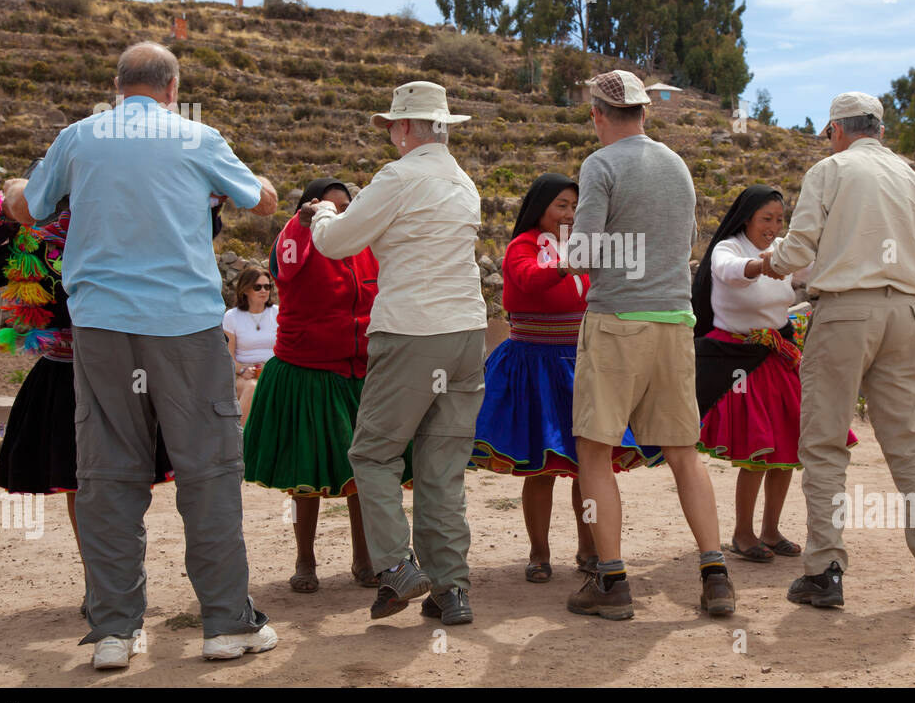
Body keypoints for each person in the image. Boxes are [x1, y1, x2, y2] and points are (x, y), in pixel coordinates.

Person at [2, 40, 280, 669]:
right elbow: (259, 199)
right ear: (173, 88)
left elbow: (25, 208)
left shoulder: (78, 138)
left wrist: (17, 182)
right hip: (184, 327)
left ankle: (114, 632)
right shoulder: (197, 137)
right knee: (207, 470)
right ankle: (225, 623)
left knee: (105, 474)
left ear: (118, 86)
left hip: (101, 328)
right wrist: (255, 179)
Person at [760, 92, 915, 608]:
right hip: (906, 313)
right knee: (912, 445)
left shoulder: (829, 171)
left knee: (825, 443)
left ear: (835, 130)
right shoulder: (909, 175)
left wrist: (768, 261)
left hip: (846, 312)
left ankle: (824, 568)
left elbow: (800, 249)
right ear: (877, 127)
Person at [308, 81, 486, 627]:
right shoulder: (463, 182)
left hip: (412, 329)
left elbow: (337, 243)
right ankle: (450, 588)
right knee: (441, 467)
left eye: (391, 125)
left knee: (373, 453)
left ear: (406, 127)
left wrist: (321, 215)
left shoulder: (398, 176)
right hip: (466, 332)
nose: (388, 134)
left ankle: (395, 565)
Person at [564, 69, 735, 621]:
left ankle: (611, 581)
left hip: (617, 320)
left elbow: (584, 254)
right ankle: (715, 574)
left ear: (597, 114)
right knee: (684, 452)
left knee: (595, 450)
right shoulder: (676, 165)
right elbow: (684, 242)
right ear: (645, 111)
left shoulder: (601, 165)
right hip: (674, 321)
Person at [0, 192, 175, 611]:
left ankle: (119, 573)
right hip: (66, 370)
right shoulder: (30, 238)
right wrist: (5, 218)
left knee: (119, 477)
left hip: (118, 368)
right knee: (81, 479)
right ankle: (100, 579)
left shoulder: (119, 229)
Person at [471, 173, 661, 583]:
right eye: (562, 205)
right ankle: (539, 553)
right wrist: (567, 262)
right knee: (540, 465)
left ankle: (589, 547)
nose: (570, 214)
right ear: (539, 207)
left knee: (586, 462)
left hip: (580, 363)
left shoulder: (584, 246)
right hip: (533, 366)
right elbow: (527, 279)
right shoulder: (521, 247)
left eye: (576, 206)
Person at [244, 178, 410, 593]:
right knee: (306, 477)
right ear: (309, 208)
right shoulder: (297, 242)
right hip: (307, 372)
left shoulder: (365, 248)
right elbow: (283, 265)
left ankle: (364, 558)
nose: (336, 213)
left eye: (344, 206)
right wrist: (300, 225)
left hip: (360, 373)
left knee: (362, 475)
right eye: (326, 205)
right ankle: (305, 561)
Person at [692, 185, 853, 562]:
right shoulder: (727, 249)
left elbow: (816, 267)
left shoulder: (784, 248)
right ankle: (743, 533)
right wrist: (767, 264)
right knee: (757, 450)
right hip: (736, 358)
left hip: (778, 355)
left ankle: (771, 529)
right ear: (746, 218)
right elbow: (732, 273)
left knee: (787, 447)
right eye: (767, 219)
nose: (774, 226)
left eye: (779, 220)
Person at [222, 265, 278, 424]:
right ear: (245, 290)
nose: (264, 291)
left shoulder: (278, 313)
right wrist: (243, 369)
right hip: (243, 374)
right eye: (258, 287)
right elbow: (228, 357)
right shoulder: (231, 317)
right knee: (253, 388)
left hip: (273, 372)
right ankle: (240, 442)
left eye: (267, 286)